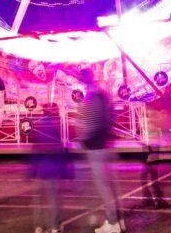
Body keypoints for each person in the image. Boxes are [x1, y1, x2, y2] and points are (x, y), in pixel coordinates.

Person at [78, 68, 122, 233]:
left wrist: (85, 140)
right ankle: (119, 220)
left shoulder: (91, 96)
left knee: (103, 186)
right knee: (110, 185)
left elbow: (92, 122)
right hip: (105, 144)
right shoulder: (103, 94)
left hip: (96, 146)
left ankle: (112, 223)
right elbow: (109, 118)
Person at [29, 103, 71, 233]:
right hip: (52, 167)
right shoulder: (56, 126)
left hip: (40, 167)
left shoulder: (39, 125)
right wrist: (65, 171)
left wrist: (31, 169)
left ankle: (38, 226)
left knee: (38, 199)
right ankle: (54, 226)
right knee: (54, 198)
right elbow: (60, 149)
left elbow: (34, 148)